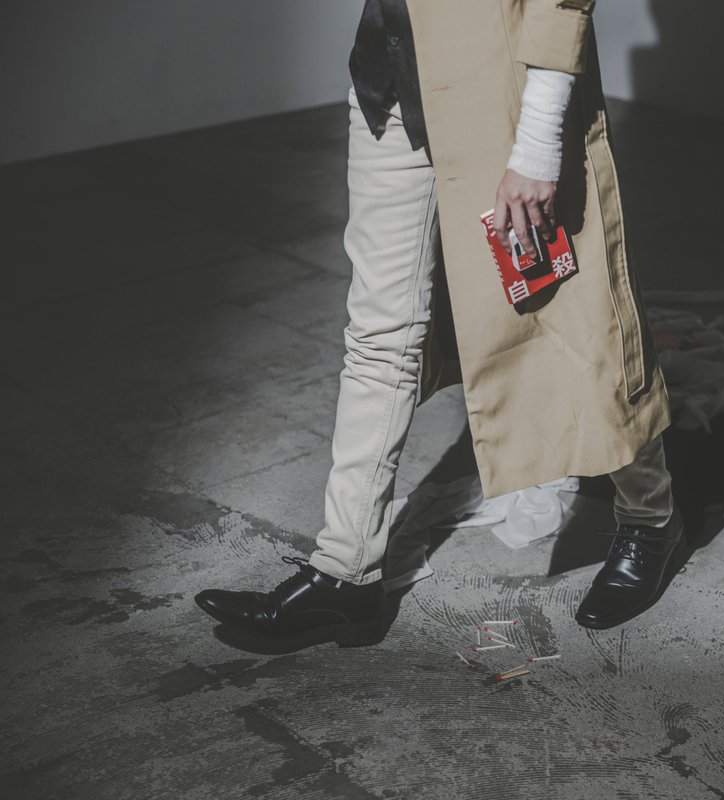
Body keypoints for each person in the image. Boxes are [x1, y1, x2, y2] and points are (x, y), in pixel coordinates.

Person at [195, 0, 682, 644]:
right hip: (392, 84)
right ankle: (347, 570)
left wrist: (539, 142)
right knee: (378, 332)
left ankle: (650, 517)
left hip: (507, 97)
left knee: (579, 316)